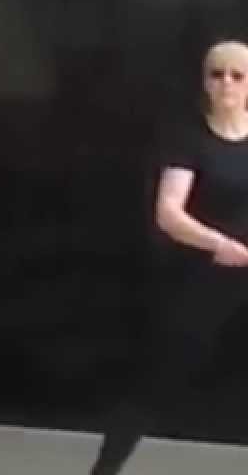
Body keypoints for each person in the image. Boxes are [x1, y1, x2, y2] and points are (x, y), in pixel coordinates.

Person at [89, 40, 248, 475]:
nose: (227, 84)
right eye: (217, 74)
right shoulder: (188, 138)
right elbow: (169, 213)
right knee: (156, 380)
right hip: (202, 277)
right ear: (205, 82)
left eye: (237, 75)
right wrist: (219, 244)